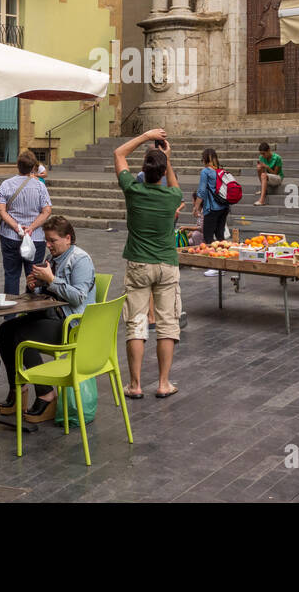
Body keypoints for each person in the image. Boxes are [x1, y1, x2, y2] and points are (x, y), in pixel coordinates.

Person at [0, 215, 96, 422]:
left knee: (22, 335)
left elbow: (78, 297)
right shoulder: (53, 259)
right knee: (6, 330)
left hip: (72, 324)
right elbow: (46, 293)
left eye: (52, 241)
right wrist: (34, 285)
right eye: (47, 240)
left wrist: (50, 279)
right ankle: (18, 389)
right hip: (51, 316)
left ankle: (46, 394)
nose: (48, 245)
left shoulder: (80, 260)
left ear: (68, 238)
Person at [115, 129, 182, 399]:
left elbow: (119, 153)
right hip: (167, 264)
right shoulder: (172, 197)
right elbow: (173, 183)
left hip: (139, 264)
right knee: (167, 325)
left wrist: (145, 136)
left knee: (137, 324)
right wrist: (166, 159)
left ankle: (135, 384)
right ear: (163, 172)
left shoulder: (132, 190)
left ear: (142, 170)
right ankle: (164, 383)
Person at [0, 149, 53, 295]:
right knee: (34, 277)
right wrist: (31, 227)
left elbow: (0, 209)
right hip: (35, 237)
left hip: (10, 236)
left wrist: (16, 226)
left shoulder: (7, 184)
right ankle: (33, 313)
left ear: (17, 166)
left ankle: (10, 314)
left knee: (11, 275)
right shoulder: (40, 185)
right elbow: (47, 211)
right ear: (34, 167)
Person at [193, 148, 228, 279]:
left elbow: (201, 191)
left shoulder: (205, 172)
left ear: (204, 159)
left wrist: (196, 207)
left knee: (208, 237)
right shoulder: (220, 171)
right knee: (220, 235)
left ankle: (214, 266)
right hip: (224, 207)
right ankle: (223, 264)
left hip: (212, 208)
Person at [255, 142, 284, 206]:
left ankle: (262, 200)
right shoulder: (261, 157)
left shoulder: (277, 158)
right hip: (268, 177)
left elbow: (275, 174)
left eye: (264, 153)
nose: (262, 155)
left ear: (268, 150)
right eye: (261, 154)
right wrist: (261, 167)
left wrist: (266, 166)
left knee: (263, 175)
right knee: (259, 168)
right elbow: (263, 171)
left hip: (278, 178)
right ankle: (264, 189)